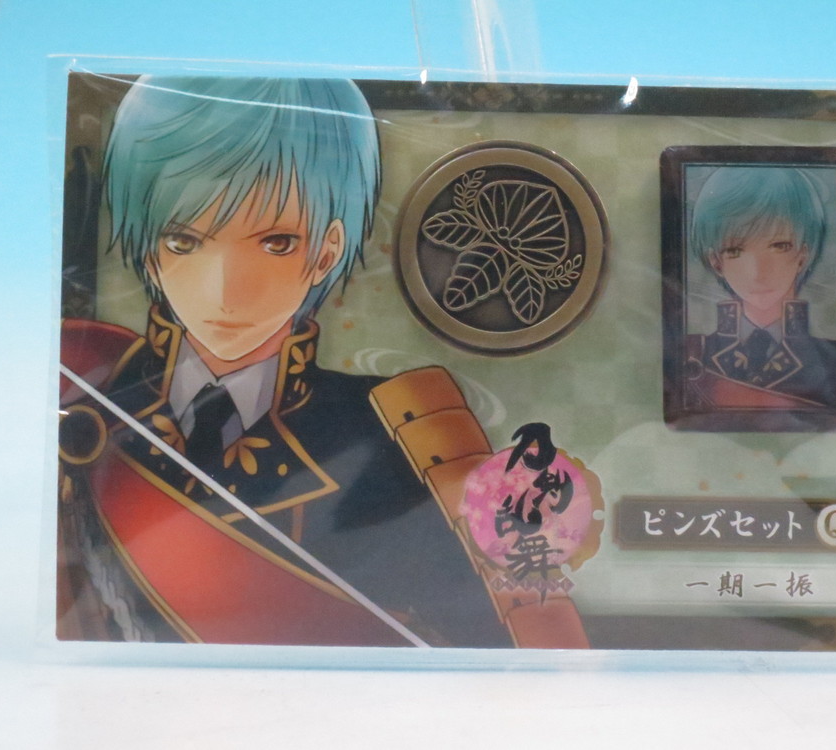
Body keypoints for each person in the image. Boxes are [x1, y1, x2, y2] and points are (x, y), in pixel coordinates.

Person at [57, 76, 513, 647]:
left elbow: (478, 649)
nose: (226, 290)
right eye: (184, 241)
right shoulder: (86, 403)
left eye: (276, 243)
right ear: (149, 252)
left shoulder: (390, 435)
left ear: (326, 250)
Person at [683, 166, 836, 414]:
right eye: (735, 250)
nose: (758, 272)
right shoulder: (693, 355)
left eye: (779, 246)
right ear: (716, 262)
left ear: (803, 254)